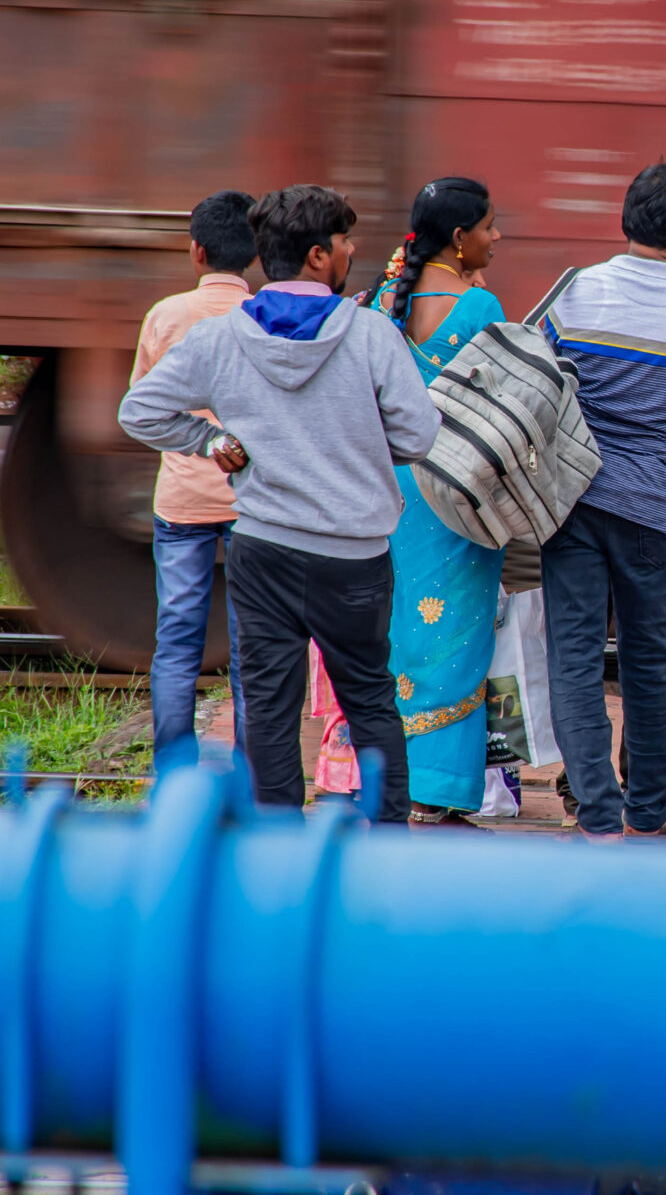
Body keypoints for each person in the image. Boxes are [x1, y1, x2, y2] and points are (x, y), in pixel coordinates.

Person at [118, 184, 439, 821]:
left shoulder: (222, 339)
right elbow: (419, 435)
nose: (352, 252)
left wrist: (211, 439)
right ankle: (387, 841)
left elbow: (140, 411)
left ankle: (276, 851)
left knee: (268, 706)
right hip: (355, 556)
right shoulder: (372, 335)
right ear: (319, 257)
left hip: (263, 550)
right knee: (370, 699)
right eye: (346, 241)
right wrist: (357, 449)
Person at [540, 162, 666, 841]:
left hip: (571, 500)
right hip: (649, 506)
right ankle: (648, 810)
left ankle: (595, 810)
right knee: (650, 658)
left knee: (576, 657)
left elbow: (542, 376)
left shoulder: (575, 291)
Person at [359, 176, 507, 827]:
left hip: (390, 493)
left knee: (399, 636)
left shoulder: (380, 301)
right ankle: (442, 787)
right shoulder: (481, 308)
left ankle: (390, 778)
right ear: (459, 237)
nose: (495, 238)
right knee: (458, 635)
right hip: (456, 497)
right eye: (489, 226)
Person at [129, 190, 258, 762]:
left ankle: (173, 770)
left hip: (182, 506)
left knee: (177, 642)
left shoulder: (168, 315)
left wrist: (201, 440)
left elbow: (144, 411)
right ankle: (257, 770)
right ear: (254, 254)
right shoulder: (262, 315)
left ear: (197, 252)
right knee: (253, 645)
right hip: (254, 506)